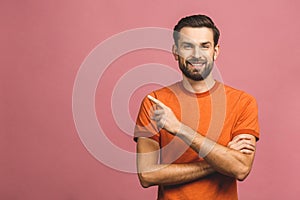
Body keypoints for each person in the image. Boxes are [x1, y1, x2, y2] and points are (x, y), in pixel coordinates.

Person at [134, 14, 260, 200]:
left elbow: (241, 169)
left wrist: (180, 129)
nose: (196, 55)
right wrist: (221, 159)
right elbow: (147, 175)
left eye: (204, 46)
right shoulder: (154, 102)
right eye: (187, 46)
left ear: (215, 51)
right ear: (175, 52)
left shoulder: (243, 102)